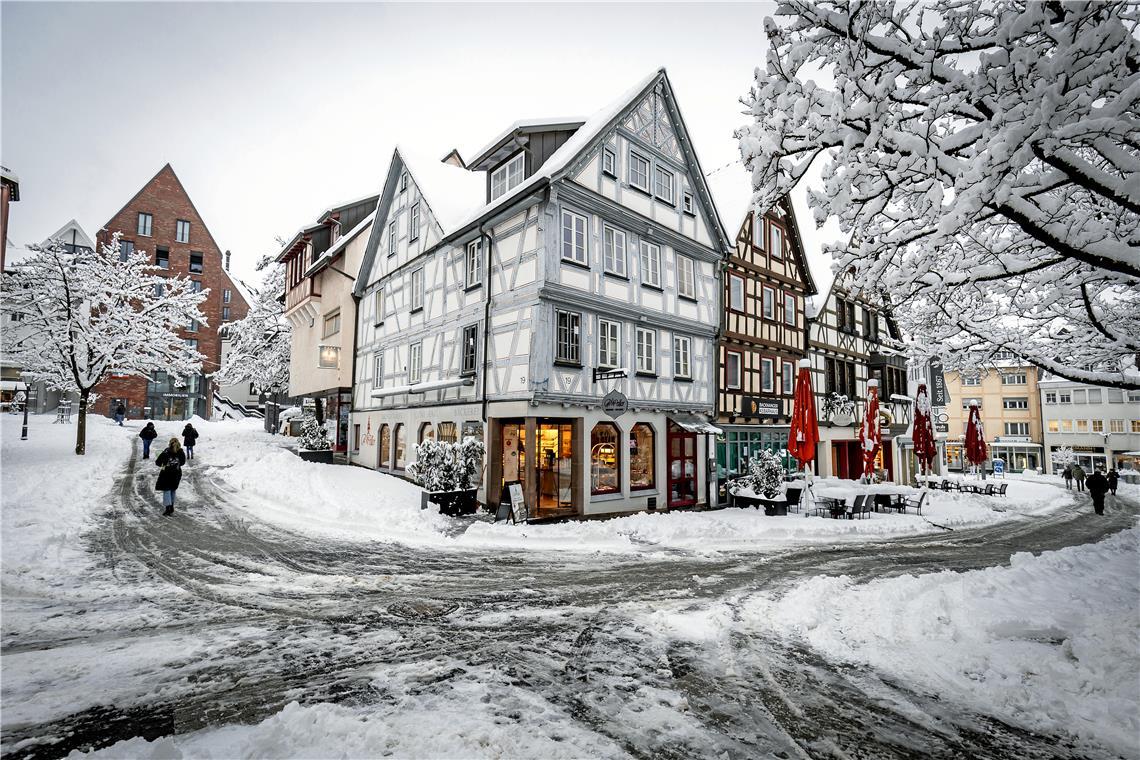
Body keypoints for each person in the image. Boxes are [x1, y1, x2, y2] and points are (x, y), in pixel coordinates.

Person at [155, 438, 186, 516]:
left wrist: (164, 464)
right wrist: (176, 463)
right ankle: (171, 507)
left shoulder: (166, 451)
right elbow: (183, 462)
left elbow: (158, 462)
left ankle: (168, 508)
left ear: (170, 443)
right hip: (176, 474)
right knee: (172, 490)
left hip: (166, 474)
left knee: (167, 490)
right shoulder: (181, 452)